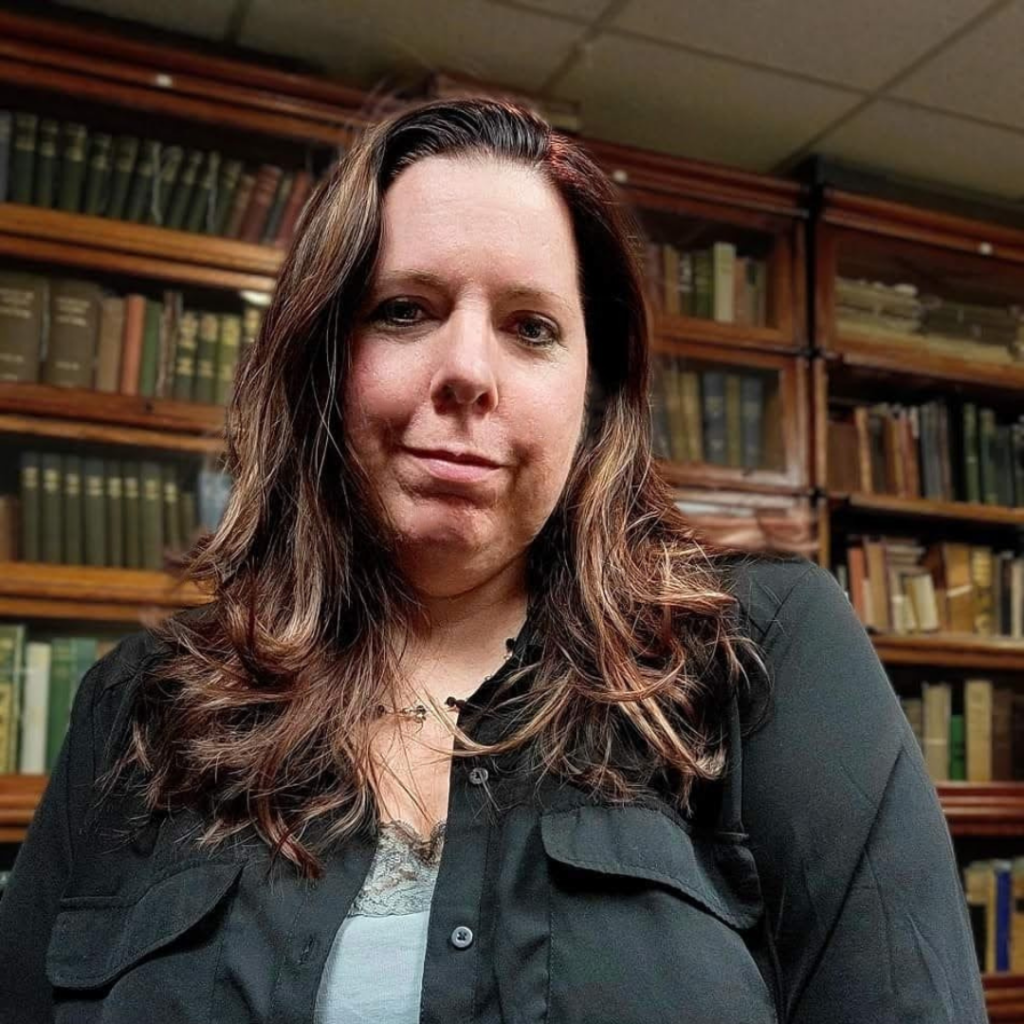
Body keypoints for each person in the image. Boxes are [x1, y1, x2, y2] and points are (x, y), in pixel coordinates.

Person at [0, 98, 986, 1024]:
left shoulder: (760, 652)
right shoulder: (140, 709)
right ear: (319, 363)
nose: (467, 371)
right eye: (404, 309)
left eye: (531, 327)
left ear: (592, 398)